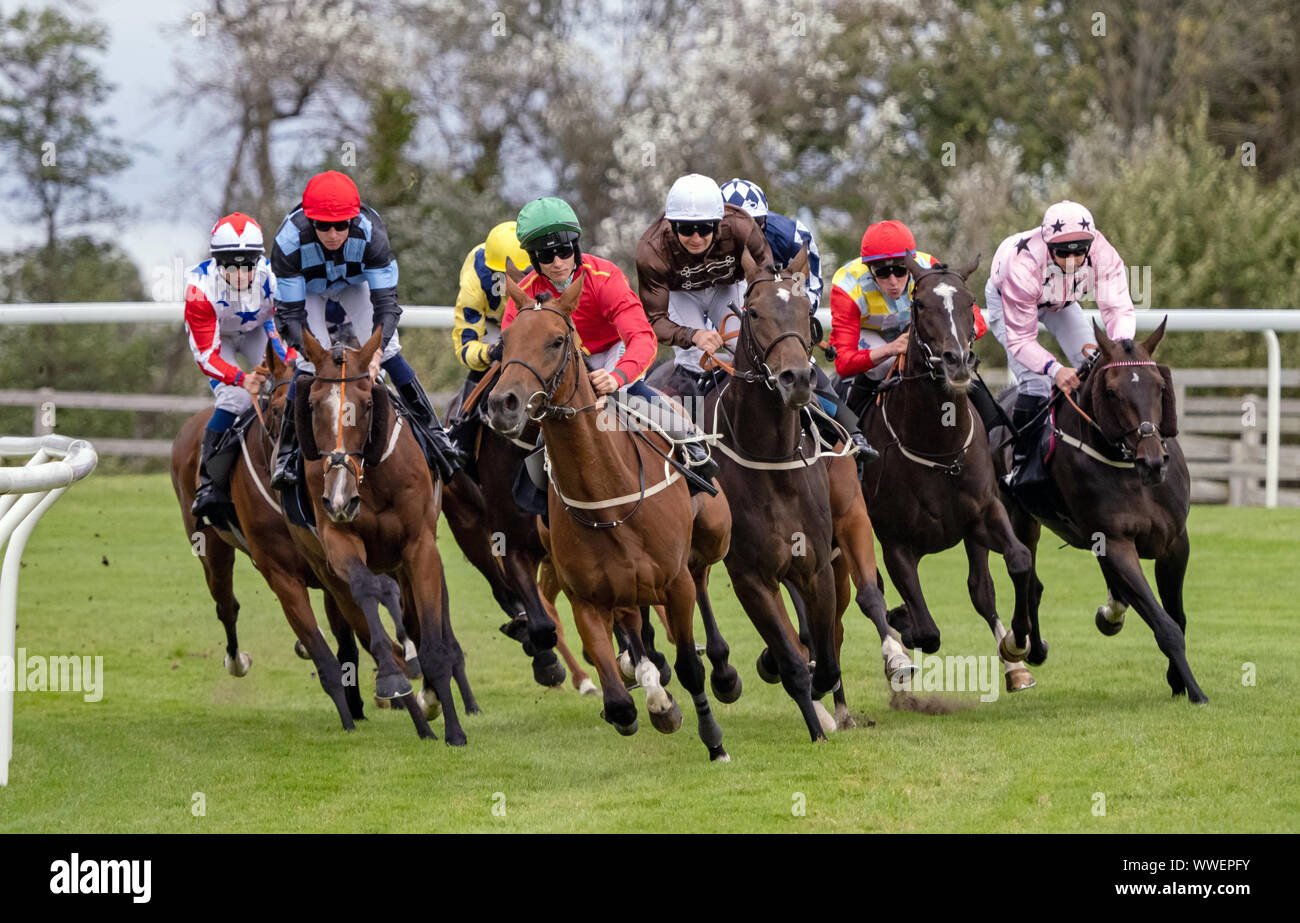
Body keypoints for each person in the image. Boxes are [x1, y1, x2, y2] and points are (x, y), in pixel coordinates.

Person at [502, 196, 716, 485]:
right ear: (533, 259)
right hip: (566, 362)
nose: (557, 263)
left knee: (628, 394)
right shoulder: (525, 293)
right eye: (546, 256)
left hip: (614, 352)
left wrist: (617, 377)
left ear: (575, 247)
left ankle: (689, 442)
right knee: (541, 451)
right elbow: (515, 349)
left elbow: (642, 337)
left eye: (564, 251)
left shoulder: (604, 277)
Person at [267, 170, 460, 487]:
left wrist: (377, 351)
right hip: (309, 291)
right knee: (305, 363)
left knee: (392, 351)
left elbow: (386, 305)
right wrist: (316, 356)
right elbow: (290, 316)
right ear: (308, 221)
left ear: (353, 221)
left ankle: (436, 436)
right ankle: (287, 455)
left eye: (340, 225)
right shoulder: (288, 241)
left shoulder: (372, 233)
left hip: (354, 285)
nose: (332, 233)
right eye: (322, 225)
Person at [721, 176, 877, 465]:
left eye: (757, 225)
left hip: (779, 306)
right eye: (740, 230)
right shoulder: (705, 241)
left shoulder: (792, 236)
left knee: (802, 364)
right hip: (728, 306)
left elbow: (809, 289)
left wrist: (786, 317)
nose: (750, 235)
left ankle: (852, 433)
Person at [985, 200, 1135, 479]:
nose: (1072, 260)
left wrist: (1122, 351)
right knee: (1037, 382)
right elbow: (1021, 341)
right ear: (1048, 245)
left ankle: (1106, 450)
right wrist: (1054, 369)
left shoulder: (1104, 253)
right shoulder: (1024, 264)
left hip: (1060, 301)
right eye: (1062, 252)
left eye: (1079, 253)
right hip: (1009, 298)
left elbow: (1118, 310)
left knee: (1098, 366)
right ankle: (1021, 465)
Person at [184, 213, 295, 525]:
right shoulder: (199, 290)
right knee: (236, 399)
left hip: (258, 329)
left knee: (292, 378)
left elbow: (293, 324)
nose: (241, 273)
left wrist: (288, 357)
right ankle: (208, 482)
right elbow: (207, 355)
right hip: (219, 340)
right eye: (231, 266)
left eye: (248, 264)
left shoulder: (273, 279)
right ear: (217, 262)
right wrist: (241, 378)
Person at [829, 218, 987, 427]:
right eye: (883, 273)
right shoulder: (847, 285)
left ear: (911, 266)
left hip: (910, 330)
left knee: (944, 356)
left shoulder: (927, 267)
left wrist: (960, 341)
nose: (893, 282)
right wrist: (891, 349)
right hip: (869, 335)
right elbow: (844, 363)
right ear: (869, 269)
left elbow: (978, 320)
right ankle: (854, 432)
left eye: (901, 270)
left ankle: (992, 430)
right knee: (881, 365)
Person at [636, 173, 772, 398]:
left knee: (752, 346)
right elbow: (655, 319)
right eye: (687, 229)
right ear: (671, 224)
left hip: (726, 288)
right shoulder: (651, 249)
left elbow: (767, 282)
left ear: (719, 223)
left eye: (705, 228)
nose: (696, 238)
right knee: (694, 357)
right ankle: (694, 423)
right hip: (682, 295)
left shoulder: (742, 227)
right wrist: (692, 335)